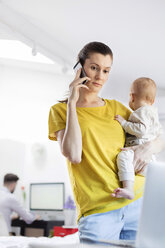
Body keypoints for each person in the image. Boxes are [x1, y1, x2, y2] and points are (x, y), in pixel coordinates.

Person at [48, 41, 164, 244]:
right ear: (80, 67)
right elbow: (73, 155)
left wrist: (149, 148)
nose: (100, 76)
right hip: (98, 212)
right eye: (94, 68)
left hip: (139, 203)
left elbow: (156, 135)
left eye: (106, 70)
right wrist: (73, 104)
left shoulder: (116, 108)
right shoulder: (60, 111)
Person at [111, 77, 162, 200]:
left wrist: (124, 124)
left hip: (138, 149)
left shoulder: (142, 111)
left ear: (132, 97)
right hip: (149, 156)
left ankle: (128, 189)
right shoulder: (153, 113)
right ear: (153, 100)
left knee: (122, 157)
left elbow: (141, 130)